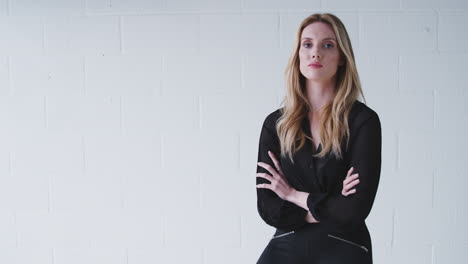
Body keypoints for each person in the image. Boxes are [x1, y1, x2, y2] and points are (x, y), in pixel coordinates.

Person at [255, 13, 381, 264]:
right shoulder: (276, 125)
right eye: (307, 44)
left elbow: (354, 210)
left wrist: (293, 195)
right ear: (298, 55)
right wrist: (329, 205)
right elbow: (268, 208)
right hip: (288, 240)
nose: (316, 53)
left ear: (342, 58)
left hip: (344, 242)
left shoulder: (362, 121)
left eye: (327, 45)